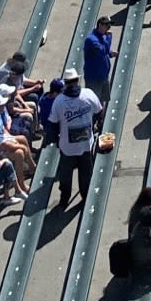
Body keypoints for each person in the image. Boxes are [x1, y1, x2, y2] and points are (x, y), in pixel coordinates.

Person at [51, 66, 102, 206]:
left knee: (66, 173)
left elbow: (53, 123)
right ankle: (85, 196)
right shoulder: (88, 94)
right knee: (86, 171)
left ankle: (64, 197)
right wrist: (94, 124)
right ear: (78, 80)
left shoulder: (59, 101)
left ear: (65, 83)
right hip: (86, 142)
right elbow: (99, 111)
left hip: (67, 145)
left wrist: (56, 140)